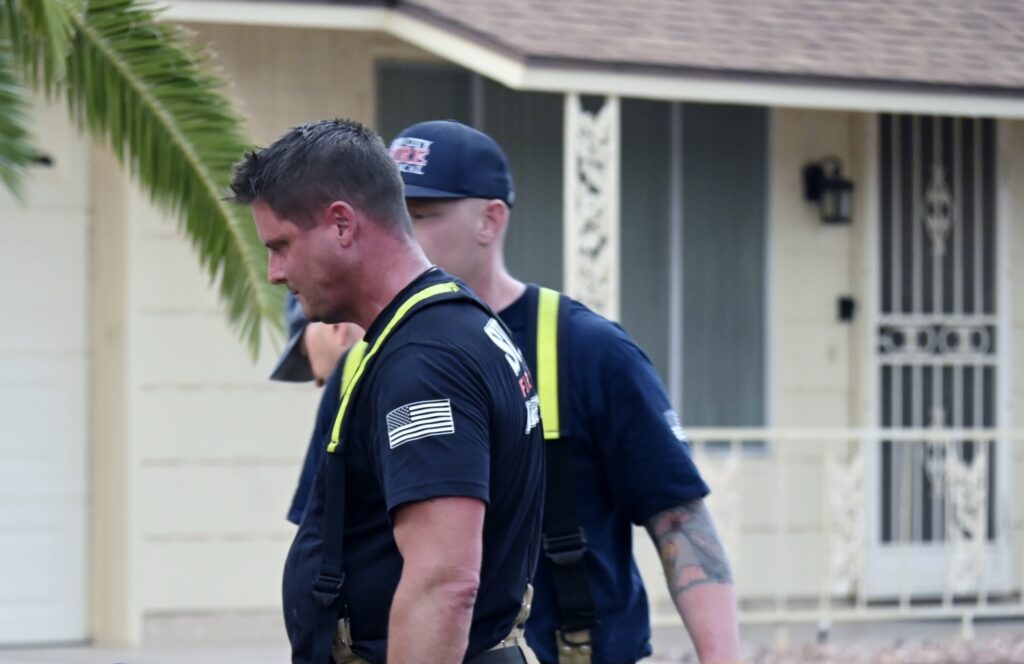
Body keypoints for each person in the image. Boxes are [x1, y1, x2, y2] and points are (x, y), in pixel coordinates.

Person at [391, 120, 741, 664]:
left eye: (421, 216)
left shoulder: (590, 350)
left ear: (490, 220)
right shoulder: (374, 357)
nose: (403, 236)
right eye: (393, 217)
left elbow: (680, 522)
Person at [231, 119, 545, 664]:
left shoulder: (425, 359)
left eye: (281, 246)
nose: (275, 272)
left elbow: (444, 583)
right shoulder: (442, 324)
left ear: (342, 225)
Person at [269, 292, 363, 525]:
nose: (317, 379)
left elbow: (314, 527)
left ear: (337, 327)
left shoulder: (344, 391)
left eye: (304, 351)